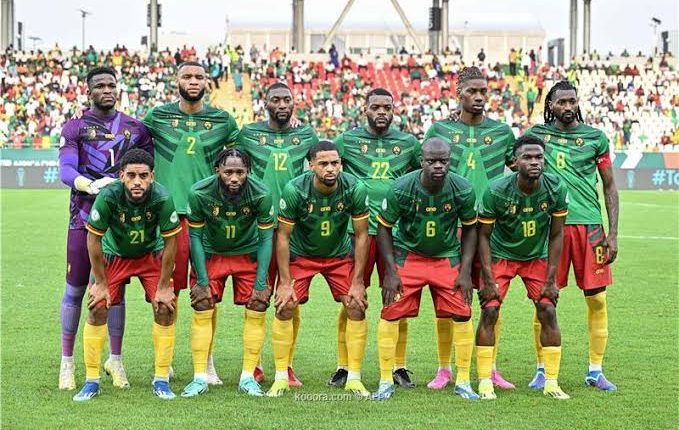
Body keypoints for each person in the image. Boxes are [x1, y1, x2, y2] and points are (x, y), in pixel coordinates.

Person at [143, 61, 240, 384]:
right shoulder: (157, 116)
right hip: (168, 217)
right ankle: (165, 360)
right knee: (167, 290)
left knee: (205, 291)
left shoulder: (223, 121)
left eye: (199, 76)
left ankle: (206, 361)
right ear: (177, 81)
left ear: (207, 82)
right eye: (187, 76)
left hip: (207, 217)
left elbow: (246, 149)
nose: (193, 81)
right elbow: (129, 134)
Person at [58, 66, 153, 390]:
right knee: (75, 290)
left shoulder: (135, 128)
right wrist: (90, 184)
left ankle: (115, 359)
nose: (107, 90)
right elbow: (66, 170)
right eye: (100, 85)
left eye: (111, 84)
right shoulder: (75, 127)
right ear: (89, 92)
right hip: (82, 219)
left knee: (116, 292)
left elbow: (148, 170)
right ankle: (67, 362)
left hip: (118, 224)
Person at [424, 66, 516, 390]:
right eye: (472, 91)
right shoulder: (439, 129)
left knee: (492, 298)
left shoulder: (503, 132)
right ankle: (444, 368)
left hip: (491, 228)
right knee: (447, 299)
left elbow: (521, 167)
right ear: (458, 94)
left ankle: (490, 369)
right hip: (452, 227)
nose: (478, 97)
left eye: (483, 92)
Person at [524, 80, 619, 391]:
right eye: (561, 102)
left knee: (598, 300)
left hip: (590, 228)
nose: (567, 107)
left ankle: (595, 370)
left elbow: (609, 186)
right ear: (550, 105)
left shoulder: (595, 138)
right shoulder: (537, 136)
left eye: (572, 101)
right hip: (550, 227)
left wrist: (613, 233)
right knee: (544, 300)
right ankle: (542, 369)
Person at [371, 137, 478, 401]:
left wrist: (465, 271)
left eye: (443, 161)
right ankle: (385, 381)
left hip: (447, 257)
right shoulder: (401, 187)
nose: (438, 166)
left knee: (462, 313)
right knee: (390, 312)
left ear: (450, 161)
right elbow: (383, 227)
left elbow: (470, 229)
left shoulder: (463, 188)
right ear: (422, 162)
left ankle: (464, 381)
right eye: (432, 161)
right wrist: (390, 271)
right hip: (409, 257)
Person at [72, 149, 180, 401]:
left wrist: (165, 285)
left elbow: (171, 242)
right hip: (114, 255)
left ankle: (161, 379)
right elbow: (93, 238)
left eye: (143, 176)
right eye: (131, 175)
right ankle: (91, 381)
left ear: (152, 176)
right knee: (97, 306)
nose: (137, 181)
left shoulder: (162, 197)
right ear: (121, 176)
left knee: (165, 307)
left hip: (149, 255)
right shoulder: (109, 196)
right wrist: (100, 283)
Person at [330, 88, 420, 389]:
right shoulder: (346, 140)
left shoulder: (408, 143)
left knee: (397, 298)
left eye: (387, 107)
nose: (381, 112)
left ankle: (398, 366)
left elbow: (422, 176)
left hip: (395, 233)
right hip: (357, 233)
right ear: (365, 109)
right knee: (351, 298)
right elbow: (324, 166)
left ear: (394, 110)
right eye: (376, 107)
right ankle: (344, 366)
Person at [267, 140, 370, 398]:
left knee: (356, 305)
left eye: (335, 163)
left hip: (338, 256)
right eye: (323, 163)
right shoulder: (294, 190)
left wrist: (358, 281)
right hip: (302, 256)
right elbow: (283, 237)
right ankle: (281, 377)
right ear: (311, 165)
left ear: (341, 164)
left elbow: (361, 235)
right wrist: (284, 282)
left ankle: (354, 378)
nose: (330, 168)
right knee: (285, 305)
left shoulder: (355, 187)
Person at [236, 82, 319, 386]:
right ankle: (255, 364)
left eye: (287, 100)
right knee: (257, 295)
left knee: (289, 297)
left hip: (293, 228)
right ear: (265, 103)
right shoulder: (247, 134)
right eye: (276, 100)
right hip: (256, 228)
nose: (282, 105)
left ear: (294, 103)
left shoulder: (307, 134)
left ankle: (287, 364)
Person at [475, 135, 570, 400]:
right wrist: (488, 279)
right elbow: (483, 236)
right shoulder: (496, 190)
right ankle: (485, 381)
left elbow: (556, 235)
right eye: (527, 157)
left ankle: (551, 382)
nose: (534, 162)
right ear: (515, 162)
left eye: (539, 157)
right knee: (490, 310)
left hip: (535, 257)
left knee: (548, 310)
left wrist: (551, 279)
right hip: (501, 256)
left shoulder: (555, 187)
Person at [181, 148, 274, 398]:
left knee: (258, 303)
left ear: (248, 172)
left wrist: (261, 281)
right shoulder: (199, 192)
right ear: (217, 171)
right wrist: (201, 279)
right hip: (212, 253)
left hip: (247, 253)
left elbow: (267, 239)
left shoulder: (261, 193)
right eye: (228, 172)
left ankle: (248, 377)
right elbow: (195, 237)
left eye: (240, 172)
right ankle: (200, 377)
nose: (234, 178)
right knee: (202, 302)